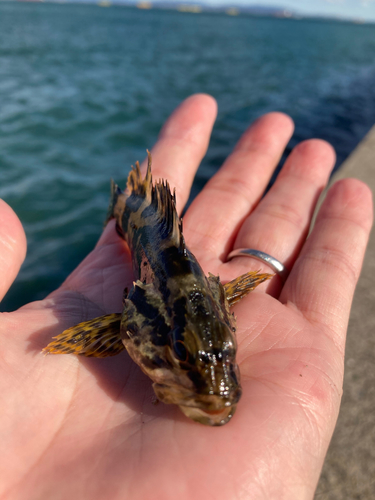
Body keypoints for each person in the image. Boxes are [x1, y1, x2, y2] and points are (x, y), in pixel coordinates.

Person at [0, 94, 372, 499]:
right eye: (180, 348)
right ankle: (123, 206)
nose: (220, 390)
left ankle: (126, 207)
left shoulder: (210, 319)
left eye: (225, 354)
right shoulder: (144, 317)